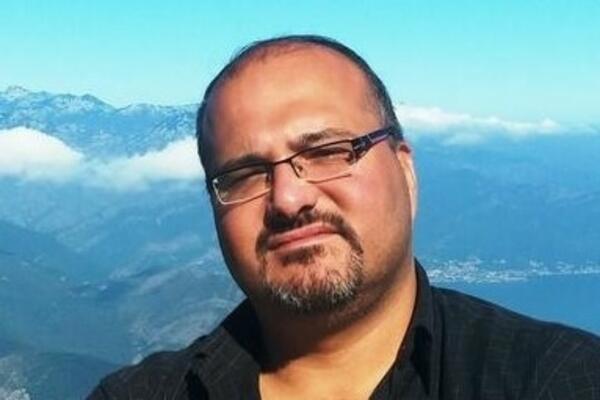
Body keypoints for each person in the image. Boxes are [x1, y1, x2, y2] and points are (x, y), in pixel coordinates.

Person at [89, 35, 600, 399]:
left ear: (406, 173)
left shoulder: (561, 379)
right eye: (244, 175)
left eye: (329, 151)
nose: (288, 199)